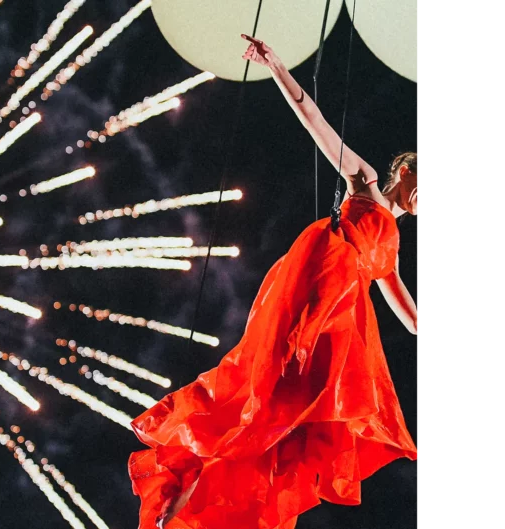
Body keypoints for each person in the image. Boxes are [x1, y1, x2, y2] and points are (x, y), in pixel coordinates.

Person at [128, 35, 419, 529]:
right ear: (408, 172)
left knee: (288, 418)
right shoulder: (367, 185)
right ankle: (186, 478)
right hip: (317, 281)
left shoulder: (391, 250)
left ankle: (190, 500)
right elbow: (319, 128)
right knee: (259, 393)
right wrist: (279, 69)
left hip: (343, 321)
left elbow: (414, 323)